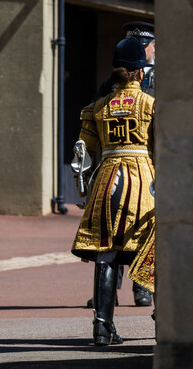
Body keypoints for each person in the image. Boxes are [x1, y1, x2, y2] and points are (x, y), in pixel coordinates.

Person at [71, 36, 155, 345]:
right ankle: (164, 327)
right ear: (139, 73)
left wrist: (83, 188)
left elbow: (81, 154)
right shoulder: (152, 104)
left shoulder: (96, 108)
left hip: (106, 181)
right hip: (144, 182)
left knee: (106, 253)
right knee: (153, 250)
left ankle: (102, 328)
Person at [87, 21, 155, 307]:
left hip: (137, 166)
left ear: (154, 47)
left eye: (143, 44)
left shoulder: (165, 78)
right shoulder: (111, 84)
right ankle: (108, 296)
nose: (138, 48)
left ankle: (141, 289)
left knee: (140, 230)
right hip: (136, 165)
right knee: (114, 231)